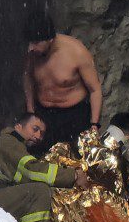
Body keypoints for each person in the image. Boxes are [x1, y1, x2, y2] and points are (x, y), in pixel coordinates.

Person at [0, 112, 89, 222]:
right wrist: (74, 175)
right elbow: (32, 170)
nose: (38, 136)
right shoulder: (10, 142)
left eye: (42, 133)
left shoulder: (8, 143)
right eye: (35, 129)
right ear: (18, 126)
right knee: (39, 192)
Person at [22, 8, 104, 151]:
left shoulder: (76, 51)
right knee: (39, 158)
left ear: (50, 40)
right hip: (44, 114)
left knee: (75, 161)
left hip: (74, 116)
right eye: (29, 43)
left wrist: (94, 125)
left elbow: (95, 89)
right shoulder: (32, 54)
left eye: (35, 43)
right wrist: (30, 111)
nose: (30, 48)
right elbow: (28, 78)